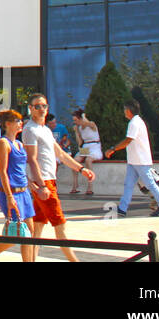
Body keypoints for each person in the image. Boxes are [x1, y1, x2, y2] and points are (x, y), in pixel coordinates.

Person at [22, 94, 94, 262]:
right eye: (37, 106)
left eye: (44, 106)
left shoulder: (45, 130)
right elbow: (31, 159)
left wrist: (81, 168)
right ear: (31, 109)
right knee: (60, 226)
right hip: (43, 182)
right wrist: (41, 185)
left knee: (38, 226)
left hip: (48, 181)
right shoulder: (30, 129)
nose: (41, 109)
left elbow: (60, 154)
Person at [0, 109, 37, 262]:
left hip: (24, 191)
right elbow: (3, 172)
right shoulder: (3, 143)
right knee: (16, 234)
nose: (21, 124)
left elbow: (20, 169)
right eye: (17, 121)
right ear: (7, 124)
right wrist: (9, 196)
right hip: (11, 192)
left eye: (21, 121)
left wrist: (31, 184)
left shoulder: (18, 143)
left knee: (29, 232)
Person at [106, 100, 159, 218]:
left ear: (129, 110)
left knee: (150, 184)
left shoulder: (134, 123)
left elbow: (128, 140)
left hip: (140, 161)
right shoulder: (136, 122)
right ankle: (122, 208)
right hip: (134, 161)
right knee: (128, 185)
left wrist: (113, 149)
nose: (124, 112)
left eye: (125, 109)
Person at [70, 109, 101, 194]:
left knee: (88, 160)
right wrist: (76, 131)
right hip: (86, 146)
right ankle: (75, 185)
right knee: (74, 161)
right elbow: (80, 143)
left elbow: (87, 123)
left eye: (76, 120)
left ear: (80, 119)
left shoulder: (91, 124)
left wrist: (83, 117)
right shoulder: (79, 128)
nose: (75, 122)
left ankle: (90, 187)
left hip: (95, 146)